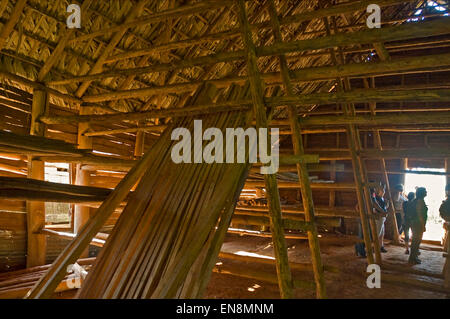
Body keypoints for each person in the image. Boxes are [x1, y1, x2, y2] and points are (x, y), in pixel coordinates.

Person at [408, 187, 428, 265]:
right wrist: (423, 225)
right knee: (416, 241)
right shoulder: (420, 201)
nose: (426, 192)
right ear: (422, 193)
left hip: (414, 223)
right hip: (418, 224)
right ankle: (412, 259)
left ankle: (413, 257)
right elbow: (420, 215)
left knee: (415, 241)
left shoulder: (416, 200)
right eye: (425, 191)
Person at [373, 184, 389, 253]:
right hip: (378, 218)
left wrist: (387, 204)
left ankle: (381, 246)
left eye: (384, 190)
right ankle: (375, 247)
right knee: (377, 233)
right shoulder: (376, 198)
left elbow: (385, 208)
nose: (383, 192)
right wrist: (381, 214)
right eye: (382, 190)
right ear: (378, 191)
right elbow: (374, 209)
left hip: (382, 219)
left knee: (382, 234)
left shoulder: (382, 199)